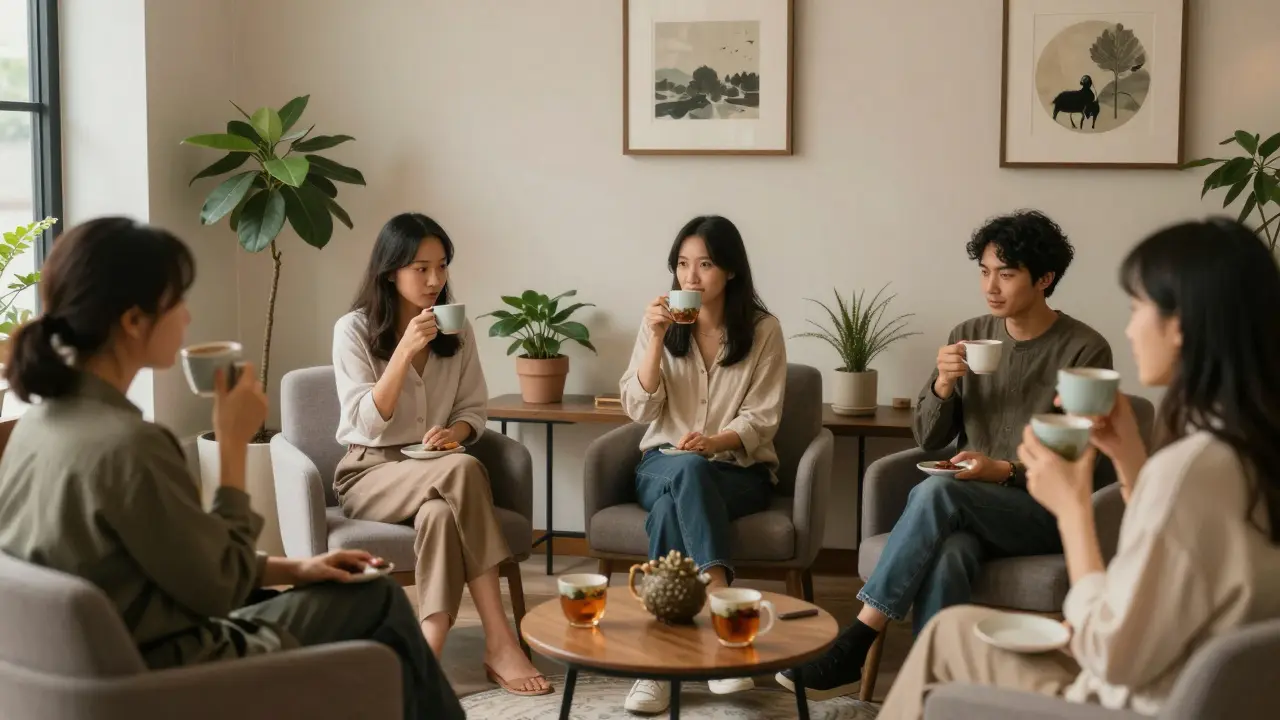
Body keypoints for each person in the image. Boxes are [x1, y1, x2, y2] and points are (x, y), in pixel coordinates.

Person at [0, 217, 463, 720]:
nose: (187, 318)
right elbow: (216, 589)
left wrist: (295, 568)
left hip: (98, 668)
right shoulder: (129, 447)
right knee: (378, 600)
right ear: (134, 321)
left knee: (355, 590)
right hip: (178, 669)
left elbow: (176, 560)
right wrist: (233, 445)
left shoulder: (36, 426)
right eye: (177, 300)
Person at [879, 218, 1280, 718]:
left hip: (1120, 700)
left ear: (1180, 327)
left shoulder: (1189, 466)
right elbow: (1172, 558)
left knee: (940, 536)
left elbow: (1109, 652)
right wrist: (1133, 458)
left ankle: (866, 631)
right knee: (948, 606)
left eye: (1137, 309)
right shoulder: (1245, 448)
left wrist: (1072, 509)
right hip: (1169, 677)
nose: (1130, 328)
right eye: (984, 272)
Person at [782, 210, 1112, 700]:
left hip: (1044, 511)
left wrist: (1001, 470)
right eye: (984, 271)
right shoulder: (969, 331)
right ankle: (934, 694)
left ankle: (860, 635)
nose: (991, 287)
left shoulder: (1085, 349)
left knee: (940, 492)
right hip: (968, 509)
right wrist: (941, 384)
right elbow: (931, 438)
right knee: (948, 555)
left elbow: (1083, 461)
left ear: (1044, 279)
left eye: (1007, 273)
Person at [333, 211, 550, 696]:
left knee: (439, 513)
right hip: (370, 474)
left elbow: (474, 409)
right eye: (421, 268)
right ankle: (500, 640)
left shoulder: (458, 329)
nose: (435, 280)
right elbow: (365, 422)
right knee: (465, 471)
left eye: (442, 266)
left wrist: (452, 433)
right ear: (391, 271)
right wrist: (404, 352)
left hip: (436, 472)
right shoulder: (353, 330)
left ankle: (427, 649)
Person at [618, 215, 787, 713]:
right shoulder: (660, 324)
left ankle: (657, 664)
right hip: (661, 466)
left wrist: (715, 442)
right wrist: (654, 339)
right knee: (682, 473)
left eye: (706, 265)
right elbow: (638, 409)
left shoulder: (763, 330)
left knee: (676, 505)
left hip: (737, 471)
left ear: (731, 271)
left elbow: (764, 417)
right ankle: (722, 615)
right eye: (682, 265)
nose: (690, 278)